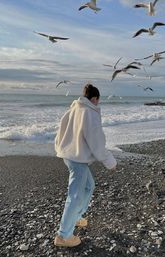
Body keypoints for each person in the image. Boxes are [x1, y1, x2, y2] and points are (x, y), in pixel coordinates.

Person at [54, 84, 117, 247]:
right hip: (77, 158)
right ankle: (63, 236)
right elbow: (97, 143)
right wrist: (110, 162)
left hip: (69, 155)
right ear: (94, 99)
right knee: (74, 195)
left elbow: (59, 132)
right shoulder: (89, 112)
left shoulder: (73, 109)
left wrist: (59, 148)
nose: (98, 104)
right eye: (98, 101)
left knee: (89, 186)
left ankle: (76, 217)